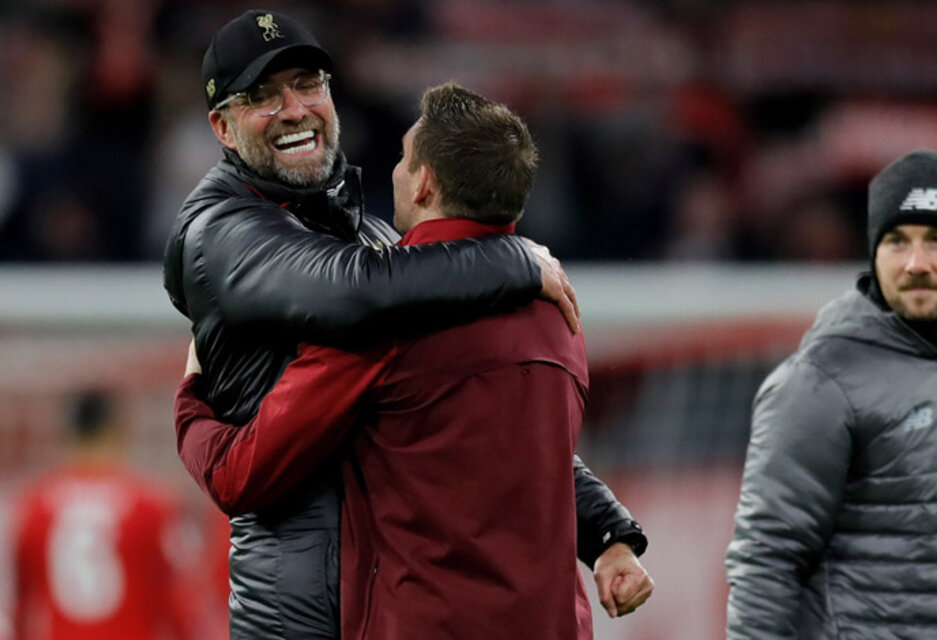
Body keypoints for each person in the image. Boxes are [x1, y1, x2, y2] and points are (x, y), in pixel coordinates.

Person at [163, 9, 650, 638]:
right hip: (299, 617)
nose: (294, 109)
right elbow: (353, 294)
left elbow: (515, 437)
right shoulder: (221, 232)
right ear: (222, 128)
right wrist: (511, 252)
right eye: (261, 96)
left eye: (308, 84)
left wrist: (606, 530)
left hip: (385, 606)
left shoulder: (393, 257)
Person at [725, 149, 937, 638]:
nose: (916, 263)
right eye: (897, 242)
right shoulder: (821, 379)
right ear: (874, 253)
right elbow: (767, 559)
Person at [11, 390, 196, 640]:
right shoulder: (151, 506)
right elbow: (178, 604)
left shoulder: (34, 507)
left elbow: (22, 606)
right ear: (118, 431)